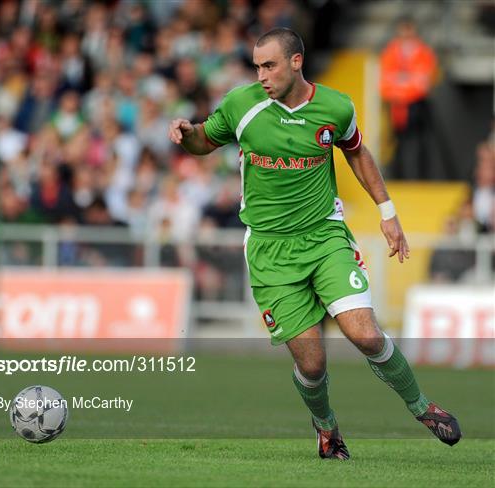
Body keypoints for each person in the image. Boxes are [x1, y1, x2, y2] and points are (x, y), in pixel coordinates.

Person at [168, 28, 461, 460]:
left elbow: (357, 152)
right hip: (269, 250)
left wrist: (387, 212)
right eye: (257, 67)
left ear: (296, 62)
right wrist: (187, 131)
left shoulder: (336, 107)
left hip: (324, 236)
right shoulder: (241, 105)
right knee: (313, 364)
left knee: (364, 333)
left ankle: (422, 407)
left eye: (269, 65)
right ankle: (326, 429)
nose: (261, 75)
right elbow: (204, 142)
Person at [379, 17, 438, 179]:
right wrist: (407, 84)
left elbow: (424, 83)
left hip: (417, 105)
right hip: (397, 106)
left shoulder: (424, 52)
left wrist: (401, 84)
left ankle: (421, 179)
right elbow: (385, 82)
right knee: (397, 145)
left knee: (421, 143)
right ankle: (399, 178)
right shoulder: (391, 52)